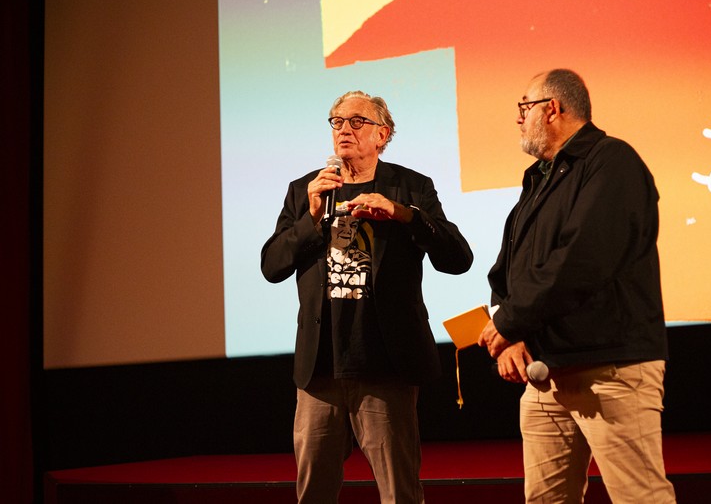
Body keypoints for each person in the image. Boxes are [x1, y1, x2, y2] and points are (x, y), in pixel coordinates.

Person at [261, 90, 473, 503]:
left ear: (383, 134)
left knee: (400, 493)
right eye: (337, 121)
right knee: (313, 494)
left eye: (356, 121)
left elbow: (457, 258)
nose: (344, 129)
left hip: (385, 368)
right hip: (320, 370)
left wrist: (403, 214)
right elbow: (272, 266)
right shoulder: (305, 190)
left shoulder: (410, 187)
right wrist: (310, 218)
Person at [478, 69, 676, 503]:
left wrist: (512, 321)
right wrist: (510, 333)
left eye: (523, 106)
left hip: (608, 369)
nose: (518, 118)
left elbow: (582, 260)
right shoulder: (539, 178)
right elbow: (505, 273)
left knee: (639, 497)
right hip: (546, 375)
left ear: (552, 109)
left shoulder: (612, 161)